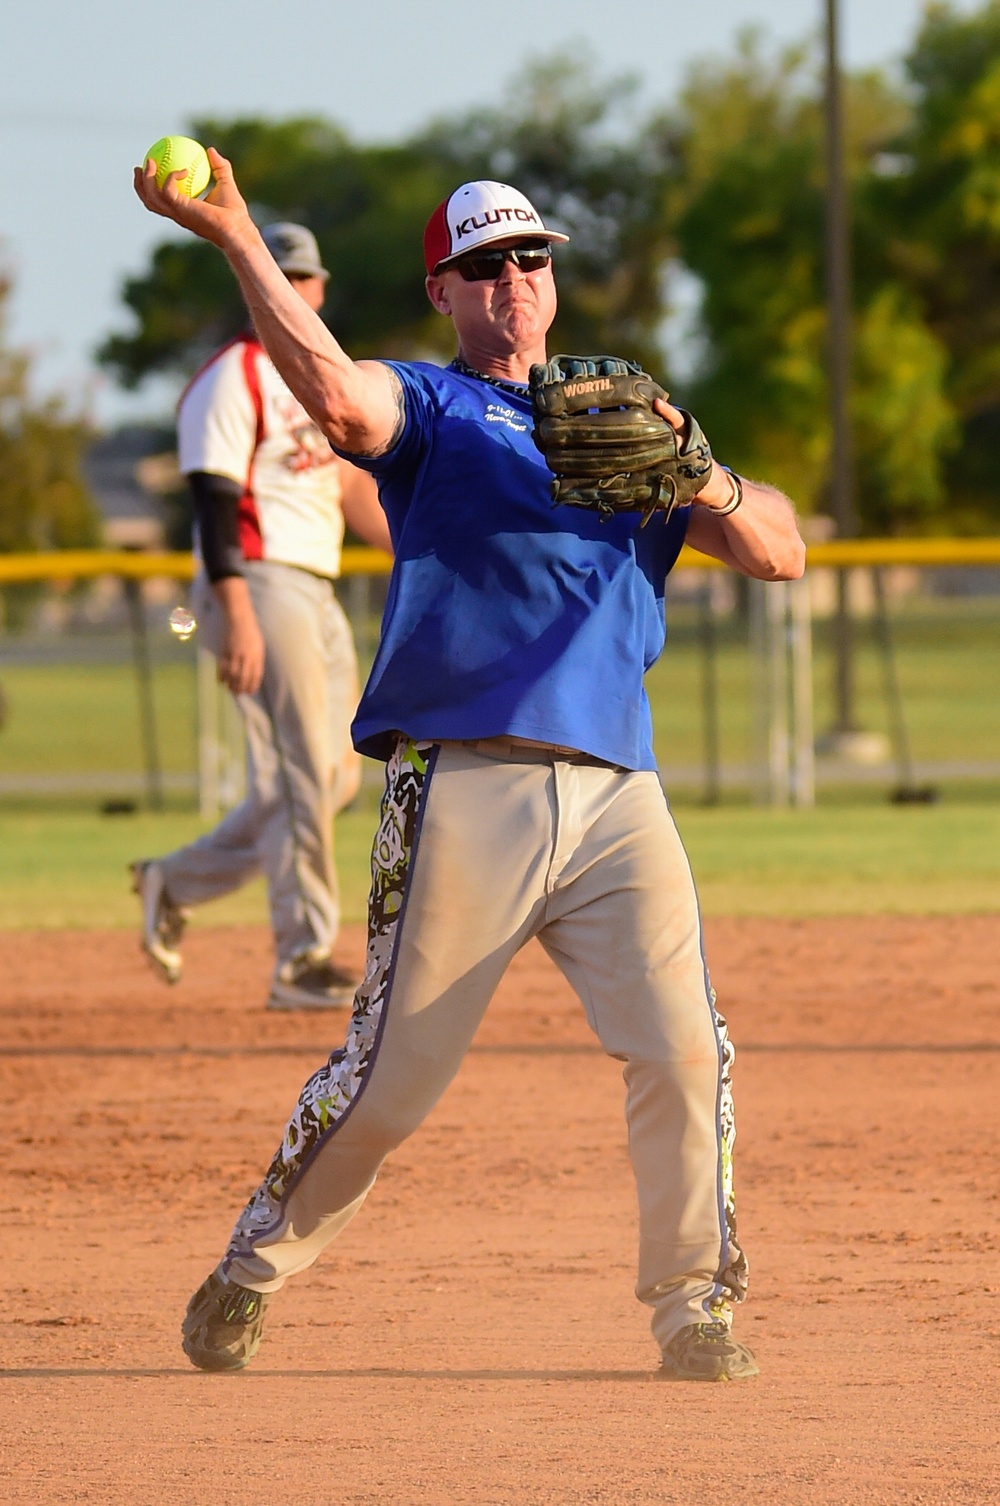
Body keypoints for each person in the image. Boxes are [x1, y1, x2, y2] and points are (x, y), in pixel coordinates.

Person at [135, 159, 806, 1381]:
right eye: (485, 265)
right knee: (389, 1083)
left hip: (617, 791)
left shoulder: (630, 417)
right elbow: (338, 403)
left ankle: (692, 1308)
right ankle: (253, 1266)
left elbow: (780, 551)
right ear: (443, 290)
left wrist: (696, 465)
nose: (513, 280)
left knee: (682, 1049)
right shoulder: (433, 407)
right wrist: (234, 231)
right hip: (464, 787)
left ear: (551, 280)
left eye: (530, 259)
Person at [131, 221, 392, 1011]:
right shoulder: (230, 377)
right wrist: (236, 614)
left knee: (332, 775)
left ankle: (173, 882)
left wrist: (437, 543)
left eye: (307, 278)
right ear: (254, 285)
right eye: (281, 276)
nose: (297, 290)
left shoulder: (320, 375)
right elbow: (212, 506)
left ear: (317, 288)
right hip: (256, 577)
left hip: (315, 582)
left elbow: (351, 493)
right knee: (307, 772)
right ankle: (303, 959)